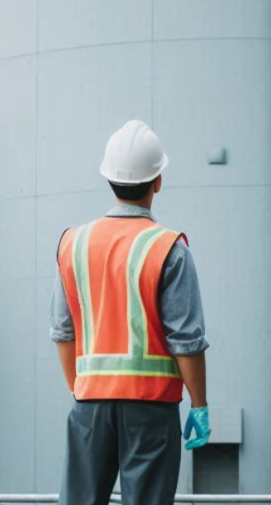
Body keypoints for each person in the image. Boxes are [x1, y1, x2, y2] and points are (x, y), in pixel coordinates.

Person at [50, 120, 211, 505]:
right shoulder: (169, 248)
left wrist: (80, 388)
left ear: (108, 178)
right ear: (158, 181)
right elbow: (186, 341)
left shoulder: (74, 243)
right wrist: (200, 404)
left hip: (89, 404)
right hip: (151, 408)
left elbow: (62, 331)